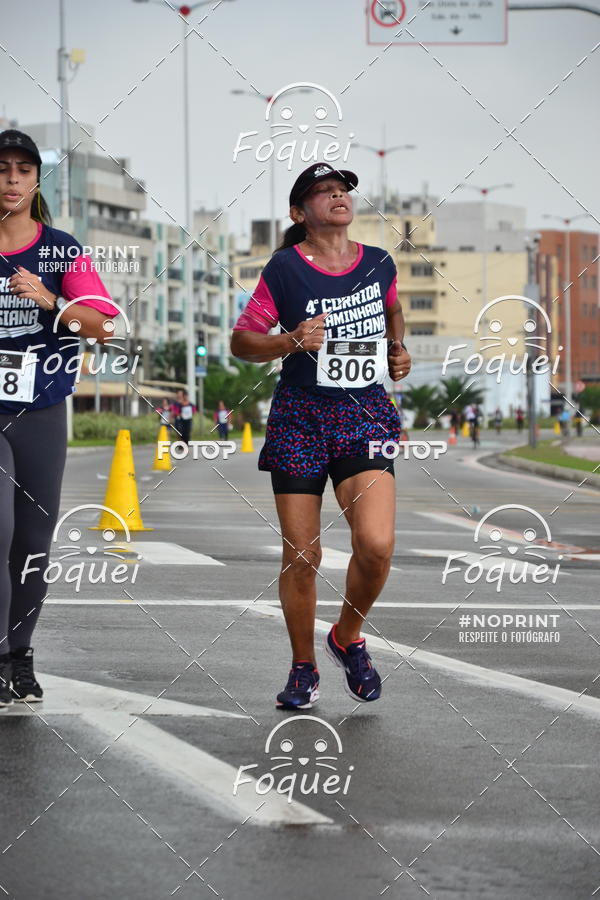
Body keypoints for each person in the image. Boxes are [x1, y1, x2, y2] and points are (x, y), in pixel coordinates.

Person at [231, 162, 411, 710]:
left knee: (376, 545)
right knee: (302, 556)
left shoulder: (379, 262)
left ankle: (347, 636)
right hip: (301, 417)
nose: (338, 196)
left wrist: (398, 350)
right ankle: (303, 667)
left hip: (364, 414)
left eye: (343, 190)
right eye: (323, 192)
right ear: (299, 212)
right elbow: (242, 341)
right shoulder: (284, 268)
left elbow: (393, 309)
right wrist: (289, 340)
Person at [0, 129, 118, 707]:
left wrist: (51, 302)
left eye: (24, 170)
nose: (13, 179)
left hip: (41, 409)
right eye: (3, 169)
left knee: (32, 542)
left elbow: (105, 326)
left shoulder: (60, 251)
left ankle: (18, 655)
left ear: (36, 181)